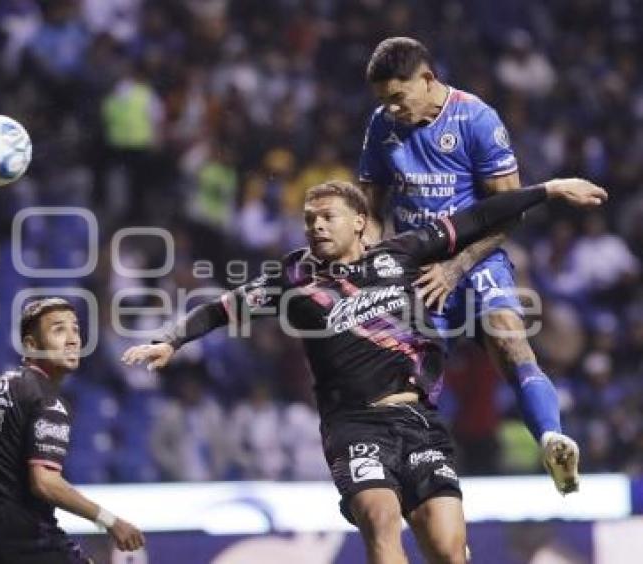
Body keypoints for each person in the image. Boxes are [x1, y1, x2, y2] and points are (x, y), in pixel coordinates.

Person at [122, 179, 606, 564]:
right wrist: (171, 339)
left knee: (446, 546)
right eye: (309, 220)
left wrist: (549, 189)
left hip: (419, 420)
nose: (315, 227)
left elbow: (478, 217)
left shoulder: (402, 255)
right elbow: (222, 307)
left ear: (359, 221)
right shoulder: (294, 285)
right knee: (380, 516)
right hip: (353, 423)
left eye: (326, 217)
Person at [358, 36, 580, 494]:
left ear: (427, 79)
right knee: (413, 378)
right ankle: (419, 478)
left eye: (398, 97)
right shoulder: (382, 125)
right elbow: (371, 207)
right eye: (383, 101)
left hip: (475, 256)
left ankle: (551, 438)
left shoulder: (476, 119)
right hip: (418, 266)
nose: (392, 109)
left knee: (509, 339)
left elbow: (510, 210)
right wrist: (373, 262)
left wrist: (458, 266)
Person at [0, 298, 145, 564]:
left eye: (75, 329)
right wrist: (111, 521)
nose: (73, 340)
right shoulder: (46, 400)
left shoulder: (0, 388)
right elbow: (44, 482)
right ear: (31, 345)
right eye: (59, 330)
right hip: (31, 545)